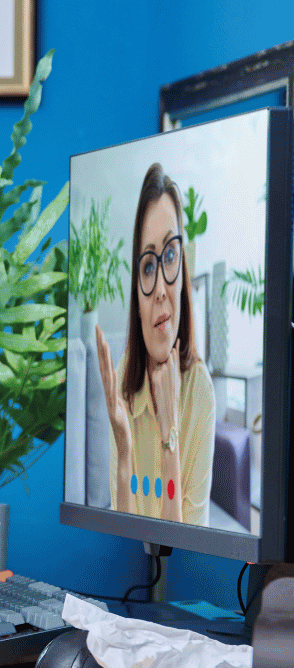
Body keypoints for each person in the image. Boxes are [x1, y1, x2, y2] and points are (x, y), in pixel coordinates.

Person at [95, 162, 214, 526]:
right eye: (148, 267)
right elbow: (124, 542)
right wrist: (124, 449)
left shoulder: (201, 392)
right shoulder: (124, 383)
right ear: (137, 290)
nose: (160, 287)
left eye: (170, 256)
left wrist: (170, 435)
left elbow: (186, 552)